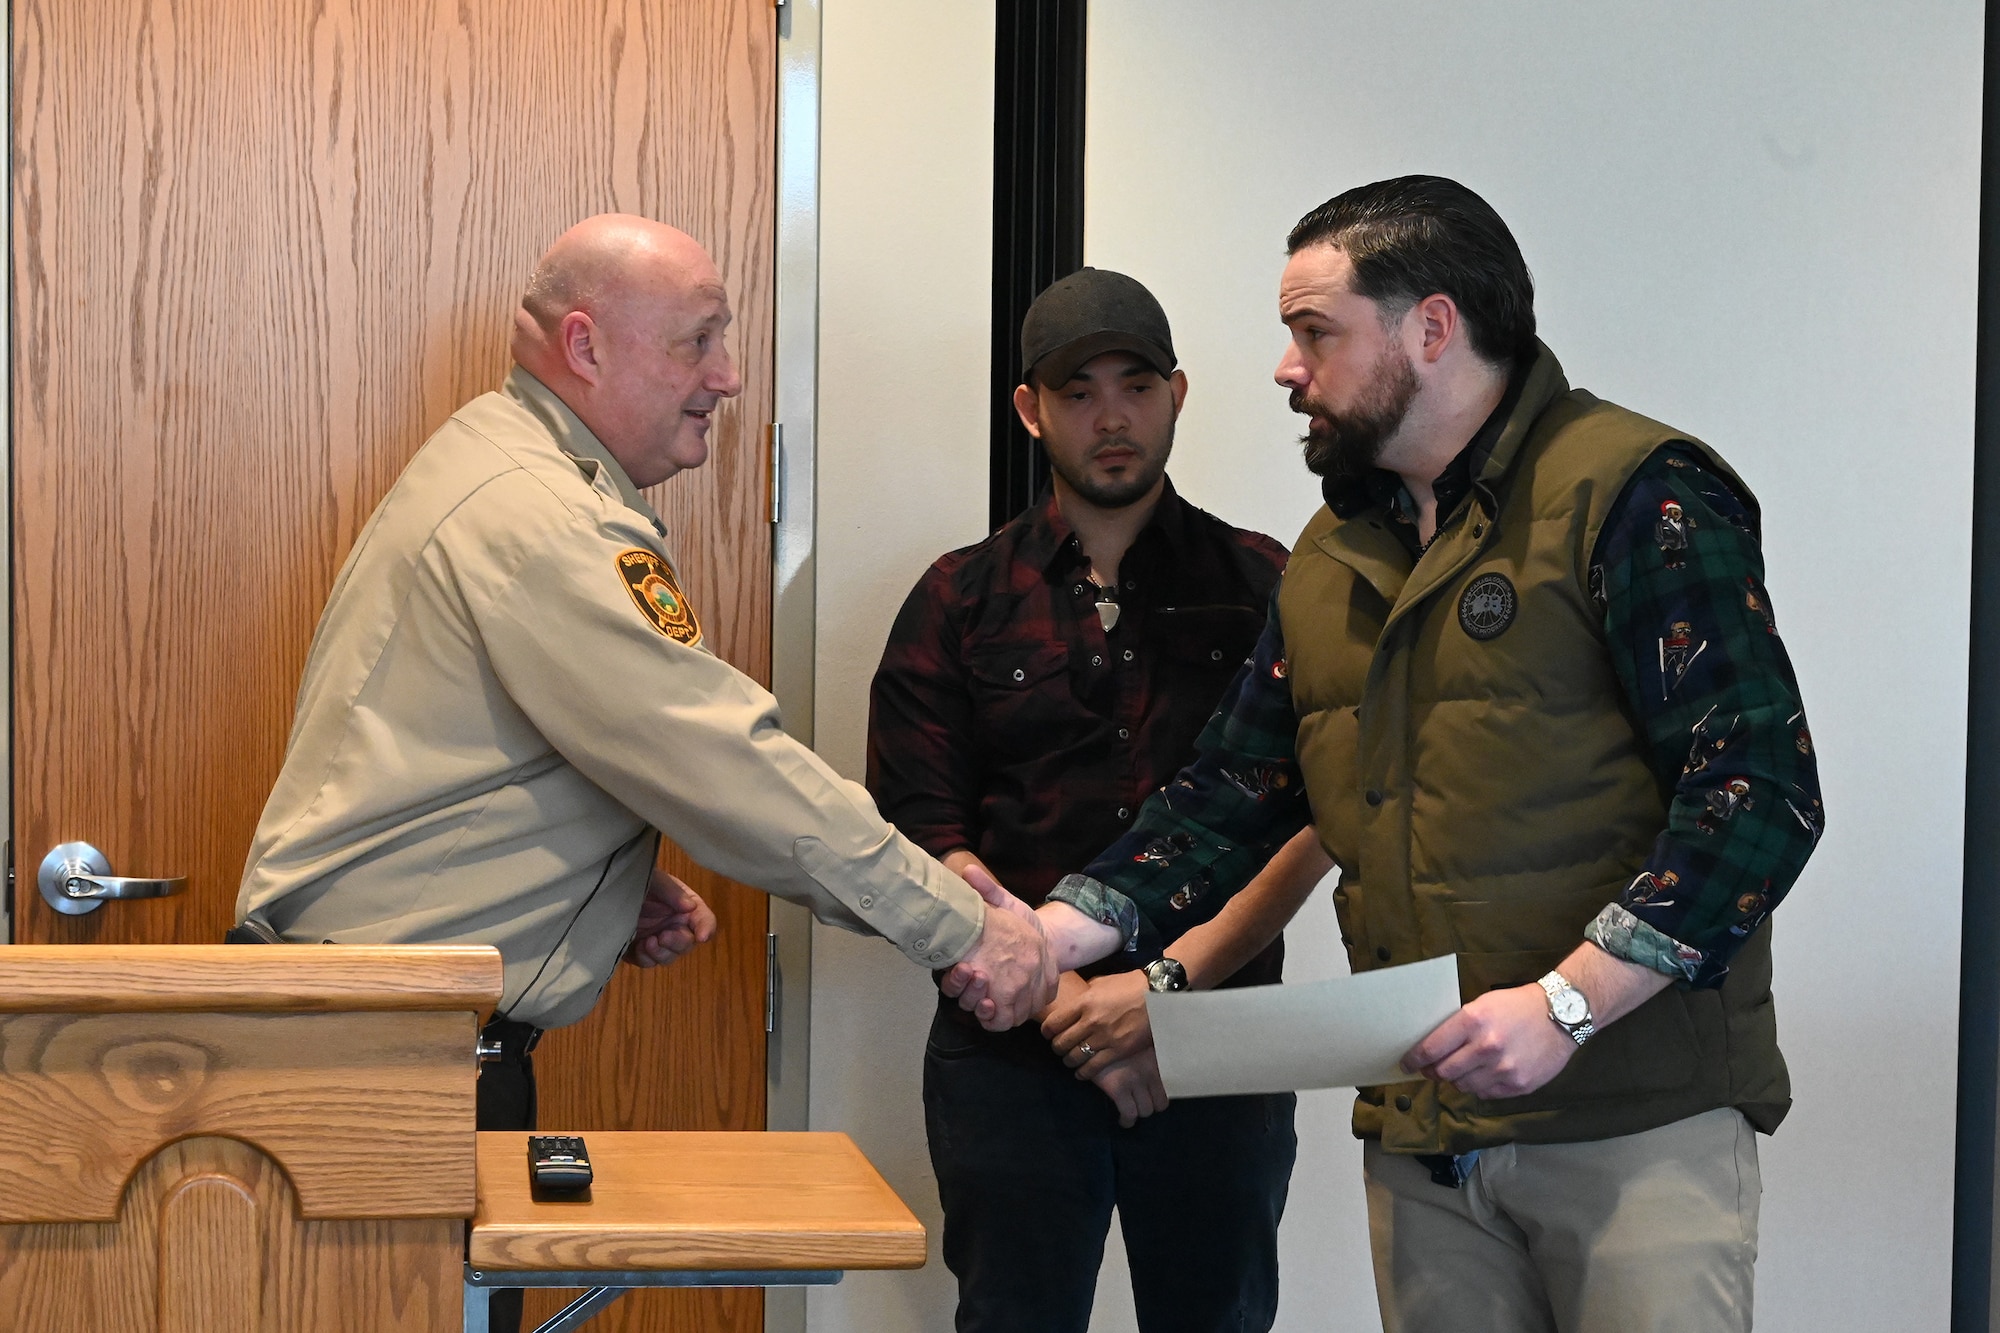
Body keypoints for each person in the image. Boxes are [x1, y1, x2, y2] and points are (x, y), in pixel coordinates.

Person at [1047, 177, 1823, 1333]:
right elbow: (1234, 789)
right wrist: (1055, 930)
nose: (1283, 368)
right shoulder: (1332, 550)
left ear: (1431, 327)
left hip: (1630, 1131)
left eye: (1312, 332)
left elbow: (1756, 792)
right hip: (1424, 1139)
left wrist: (1566, 1006)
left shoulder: (1634, 492)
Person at [236, 215, 1100, 1145]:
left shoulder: (499, 460)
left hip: (361, 1035)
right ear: (584, 345)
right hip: (377, 1062)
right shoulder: (546, 517)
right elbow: (725, 764)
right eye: (700, 340)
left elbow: (469, 739)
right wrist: (965, 929)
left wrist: (588, 867)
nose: (726, 376)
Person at [866, 267, 1306, 1333]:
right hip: (1011, 1048)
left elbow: (1312, 819)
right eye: (1077, 392)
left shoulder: (1266, 587)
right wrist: (1067, 1009)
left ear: (1178, 393)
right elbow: (919, 835)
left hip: (1215, 1042)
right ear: (1029, 409)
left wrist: (1158, 1007)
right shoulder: (956, 598)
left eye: (1136, 384)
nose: (1111, 417)